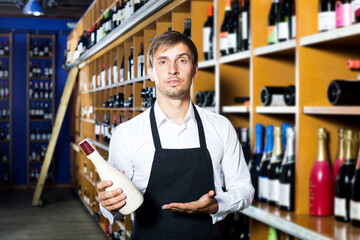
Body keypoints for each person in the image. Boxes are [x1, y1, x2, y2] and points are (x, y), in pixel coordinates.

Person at [97, 31, 254, 240]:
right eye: (163, 62)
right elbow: (113, 207)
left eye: (182, 60)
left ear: (195, 69)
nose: (173, 70)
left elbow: (245, 190)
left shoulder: (221, 127)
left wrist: (217, 205)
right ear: (151, 72)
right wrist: (108, 204)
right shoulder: (127, 133)